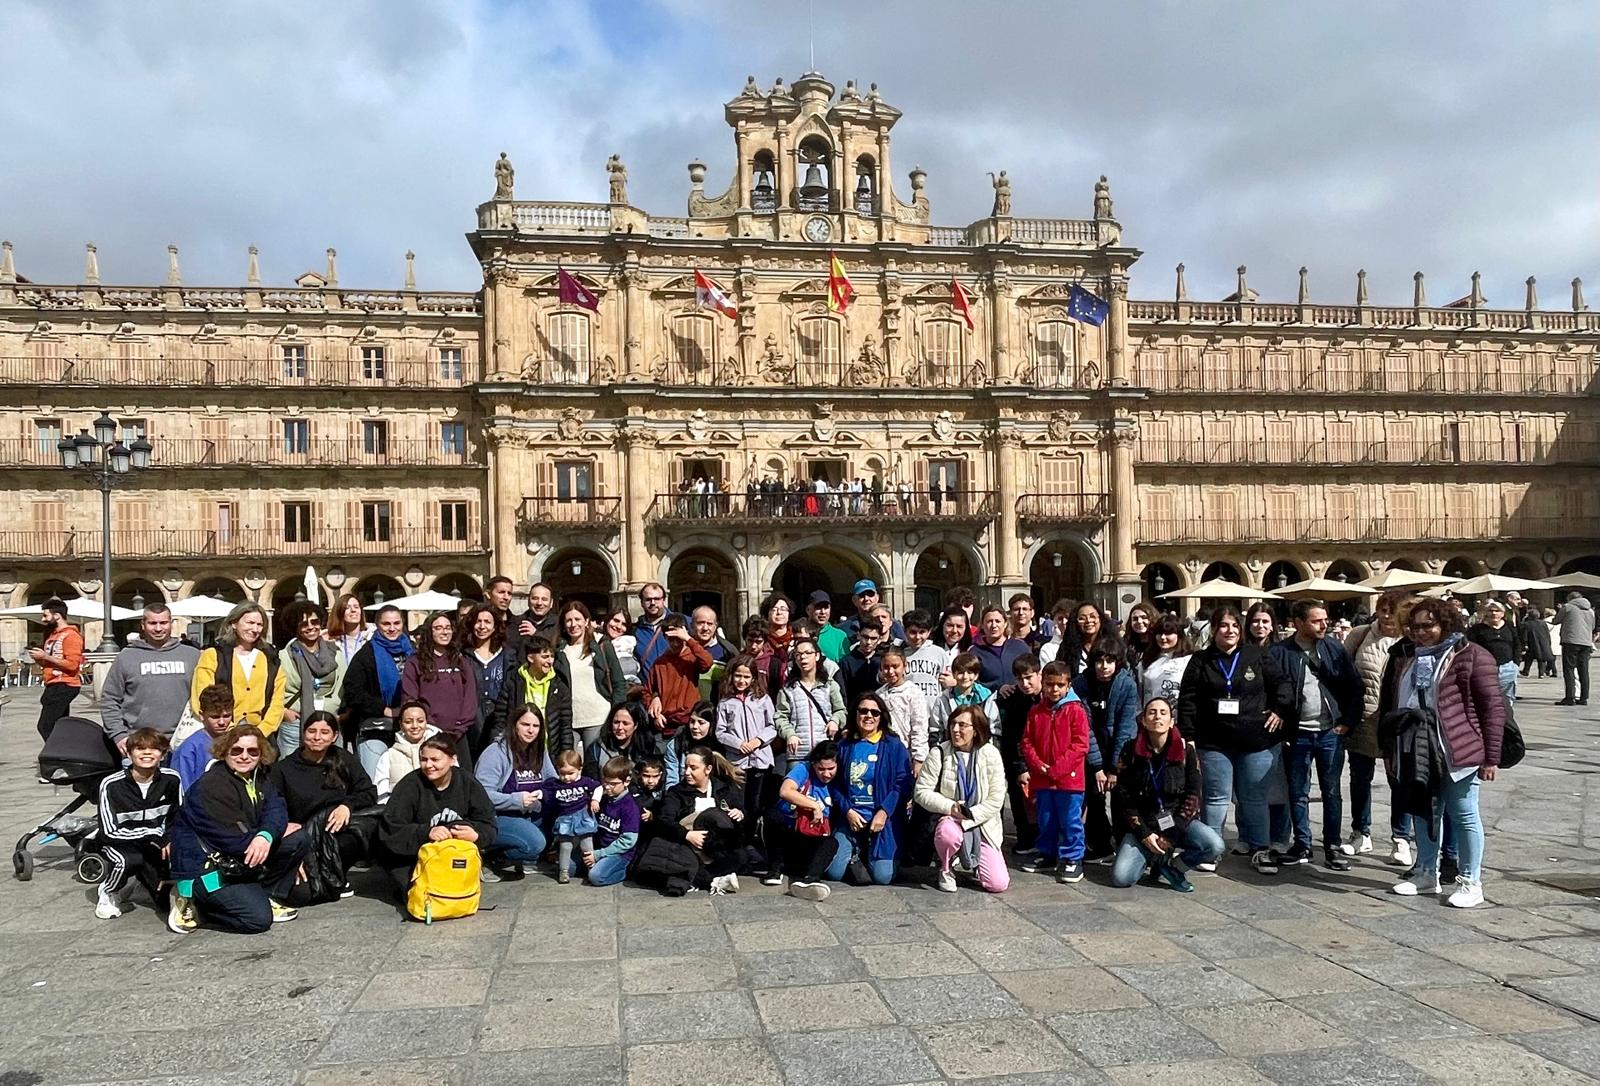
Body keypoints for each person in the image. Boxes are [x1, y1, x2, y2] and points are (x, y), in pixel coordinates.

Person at [1381, 598, 1504, 908]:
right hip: (1418, 748)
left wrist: (1491, 757)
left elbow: (1492, 707)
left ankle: (1470, 881)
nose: (1420, 632)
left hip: (1458, 749)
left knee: (1463, 814)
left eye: (1428, 626)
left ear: (1445, 624)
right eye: (1415, 626)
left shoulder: (1472, 655)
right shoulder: (1411, 657)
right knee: (1423, 811)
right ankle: (1425, 872)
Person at [1179, 606, 1293, 876]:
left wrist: (1280, 709)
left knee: (1253, 798)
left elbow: (1283, 684)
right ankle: (1211, 848)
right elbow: (1188, 699)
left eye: (1234, 626)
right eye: (1223, 626)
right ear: (1214, 630)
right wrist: (1189, 736)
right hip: (1214, 741)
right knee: (1216, 798)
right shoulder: (1201, 660)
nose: (1229, 631)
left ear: (1240, 631)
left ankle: (1260, 848)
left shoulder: (1258, 655)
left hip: (1255, 739)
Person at [168, 723, 311, 934]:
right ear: (225, 751)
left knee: (298, 838)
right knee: (258, 920)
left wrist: (267, 834)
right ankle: (195, 903)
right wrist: (270, 833)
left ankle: (266, 895)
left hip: (238, 856)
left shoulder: (258, 777)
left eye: (252, 751)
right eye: (237, 750)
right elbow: (232, 837)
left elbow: (277, 808)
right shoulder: (211, 785)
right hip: (206, 868)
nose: (244, 756)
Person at [1269, 599, 1364, 871]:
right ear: (1297, 623)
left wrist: (1347, 722)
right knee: (1297, 792)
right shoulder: (1279, 653)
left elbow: (1354, 687)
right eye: (1316, 620)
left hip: (1329, 732)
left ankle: (1332, 845)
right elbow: (1273, 691)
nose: (1325, 624)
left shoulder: (1334, 648)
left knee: (1331, 791)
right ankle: (1302, 844)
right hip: (1297, 734)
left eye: (1325, 619)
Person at [1109, 697, 1222, 893]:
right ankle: (1150, 856)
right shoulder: (1130, 750)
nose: (1157, 717)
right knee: (1122, 878)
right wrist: (1144, 834)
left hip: (1177, 822)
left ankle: (1173, 867)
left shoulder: (1186, 751)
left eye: (1163, 713)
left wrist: (1172, 834)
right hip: (1144, 824)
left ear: (1171, 721)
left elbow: (1193, 796)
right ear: (1143, 720)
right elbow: (1123, 797)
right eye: (1152, 713)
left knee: (1214, 845)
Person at [376, 735, 498, 901]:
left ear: (452, 759)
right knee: (426, 896)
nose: (429, 765)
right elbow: (390, 828)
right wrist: (426, 832)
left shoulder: (467, 782)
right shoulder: (410, 785)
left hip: (452, 853)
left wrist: (477, 835)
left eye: (435, 759)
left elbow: (488, 821)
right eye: (424, 760)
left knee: (454, 895)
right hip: (412, 855)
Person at [1344, 589, 1417, 865]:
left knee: (1399, 780)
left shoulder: (1411, 640)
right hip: (1363, 718)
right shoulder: (1360, 634)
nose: (1386, 614)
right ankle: (1360, 832)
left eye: (1392, 609)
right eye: (1383, 608)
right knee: (1359, 779)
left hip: (1396, 722)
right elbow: (1342, 671)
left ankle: (1401, 838)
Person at [269, 710, 378, 885]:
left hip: (338, 831)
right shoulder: (283, 769)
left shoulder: (344, 760)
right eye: (311, 731)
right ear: (303, 733)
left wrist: (347, 805)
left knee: (362, 833)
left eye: (324, 732)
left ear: (334, 736)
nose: (317, 737)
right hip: (303, 836)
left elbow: (368, 792)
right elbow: (273, 805)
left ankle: (339, 874)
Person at [915, 705, 1010, 894]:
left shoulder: (990, 754)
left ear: (976, 730)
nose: (955, 730)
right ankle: (946, 868)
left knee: (998, 884)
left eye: (962, 725)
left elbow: (996, 799)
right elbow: (921, 791)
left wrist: (970, 815)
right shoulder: (940, 752)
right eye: (953, 724)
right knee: (948, 834)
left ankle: (973, 860)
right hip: (950, 818)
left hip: (982, 824)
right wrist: (950, 807)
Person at [93, 728, 182, 919]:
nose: (147, 753)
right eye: (140, 748)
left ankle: (142, 882)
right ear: (129, 752)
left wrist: (170, 839)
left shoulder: (172, 779)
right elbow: (109, 832)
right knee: (128, 860)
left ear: (163, 754)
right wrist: (152, 834)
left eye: (154, 749)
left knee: (164, 903)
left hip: (155, 844)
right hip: (119, 843)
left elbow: (178, 816)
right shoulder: (111, 784)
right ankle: (109, 890)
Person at [825, 692, 912, 886]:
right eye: (863, 711)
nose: (869, 716)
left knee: (882, 877)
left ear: (882, 717)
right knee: (834, 872)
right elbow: (835, 784)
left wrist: (884, 812)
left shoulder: (894, 746)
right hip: (851, 818)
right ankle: (858, 851)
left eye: (875, 712)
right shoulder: (844, 746)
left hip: (883, 821)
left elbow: (903, 783)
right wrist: (847, 811)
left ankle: (877, 856)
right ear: (855, 714)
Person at [100, 601, 202, 752]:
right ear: (143, 624)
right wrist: (118, 734)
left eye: (163, 623)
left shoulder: (192, 655)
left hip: (184, 739)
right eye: (152, 623)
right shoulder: (126, 657)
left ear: (171, 623)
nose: (158, 628)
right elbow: (110, 698)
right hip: (139, 740)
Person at [1021, 661, 1090, 881]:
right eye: (1050, 684)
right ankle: (1047, 853)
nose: (1054, 689)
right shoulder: (1036, 710)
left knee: (1070, 820)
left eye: (1060, 684)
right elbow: (1027, 741)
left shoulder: (1076, 710)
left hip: (1068, 780)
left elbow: (1080, 745)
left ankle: (1072, 858)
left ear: (1068, 685)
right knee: (1046, 818)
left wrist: (1058, 768)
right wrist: (1037, 763)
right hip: (1042, 778)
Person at [1072, 636, 1139, 862]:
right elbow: (1084, 727)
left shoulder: (1126, 683)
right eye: (1099, 661)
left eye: (1109, 661)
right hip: (1091, 747)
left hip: (1119, 749)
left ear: (1117, 662)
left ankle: (1125, 845)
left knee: (1121, 798)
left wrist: (1113, 768)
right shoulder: (1081, 683)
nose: (1104, 666)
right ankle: (1099, 844)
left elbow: (1126, 727)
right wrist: (1098, 766)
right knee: (1094, 796)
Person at [474, 703, 553, 880]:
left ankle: (528, 857)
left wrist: (544, 795)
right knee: (535, 843)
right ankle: (490, 857)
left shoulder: (540, 751)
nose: (531, 730)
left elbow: (552, 783)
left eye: (536, 726)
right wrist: (516, 800)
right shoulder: (495, 753)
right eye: (525, 725)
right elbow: (481, 795)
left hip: (531, 813)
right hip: (498, 816)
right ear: (514, 725)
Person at [656, 745, 748, 894]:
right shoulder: (677, 793)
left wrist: (740, 814)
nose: (687, 772)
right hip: (688, 845)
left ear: (708, 769)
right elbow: (664, 820)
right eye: (686, 767)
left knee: (741, 857)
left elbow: (741, 814)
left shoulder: (723, 789)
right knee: (682, 865)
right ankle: (712, 880)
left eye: (693, 768)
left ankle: (699, 878)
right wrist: (687, 834)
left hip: (717, 847)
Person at [189, 602, 286, 742]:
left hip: (261, 738)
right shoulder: (213, 655)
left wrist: (261, 731)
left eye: (259, 624)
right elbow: (202, 697)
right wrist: (231, 731)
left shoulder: (271, 659)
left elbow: (277, 702)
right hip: (221, 737)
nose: (255, 629)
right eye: (250, 623)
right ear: (234, 623)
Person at [336, 605, 413, 776]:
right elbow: (353, 690)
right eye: (386, 624)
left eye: (396, 623)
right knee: (375, 781)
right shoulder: (367, 654)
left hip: (409, 729)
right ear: (377, 625)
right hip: (374, 728)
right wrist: (385, 710)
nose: (392, 628)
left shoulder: (412, 651)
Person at [715, 656, 777, 868]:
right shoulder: (725, 702)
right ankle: (741, 845)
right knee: (739, 804)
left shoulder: (763, 699)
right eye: (738, 676)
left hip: (760, 761)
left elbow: (772, 725)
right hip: (738, 762)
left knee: (757, 804)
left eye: (746, 677)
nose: (741, 681)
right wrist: (737, 743)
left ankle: (755, 844)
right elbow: (720, 732)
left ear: (753, 678)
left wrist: (758, 741)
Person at [400, 611, 480, 765]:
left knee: (462, 779)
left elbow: (470, 696)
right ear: (430, 631)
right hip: (429, 734)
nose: (445, 632)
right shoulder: (415, 662)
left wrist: (460, 727)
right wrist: (427, 727)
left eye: (448, 627)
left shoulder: (461, 661)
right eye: (438, 628)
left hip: (458, 735)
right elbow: (410, 698)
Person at [768, 741, 841, 900]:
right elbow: (785, 791)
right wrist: (814, 806)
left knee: (831, 843)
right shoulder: (804, 769)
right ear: (814, 764)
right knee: (773, 816)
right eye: (821, 769)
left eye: (831, 769)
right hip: (791, 834)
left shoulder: (838, 781)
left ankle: (810, 880)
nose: (826, 774)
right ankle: (775, 868)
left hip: (814, 838)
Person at [555, 600, 627, 750]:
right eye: (568, 620)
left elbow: (618, 682)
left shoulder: (601, 645)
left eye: (577, 619)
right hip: (569, 720)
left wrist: (616, 711)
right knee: (568, 767)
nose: (573, 624)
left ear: (586, 621)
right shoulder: (558, 650)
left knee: (596, 766)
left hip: (599, 717)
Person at [278, 601, 343, 759]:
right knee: (292, 766)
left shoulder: (335, 652)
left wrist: (334, 710)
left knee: (333, 765)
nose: (310, 627)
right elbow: (276, 690)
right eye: (303, 624)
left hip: (329, 718)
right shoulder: (283, 656)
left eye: (315, 622)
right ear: (295, 627)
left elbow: (341, 686)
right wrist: (284, 712)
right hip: (295, 722)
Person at [496, 636, 574, 759]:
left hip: (549, 752)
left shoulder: (559, 686)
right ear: (531, 658)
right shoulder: (513, 682)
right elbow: (500, 718)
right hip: (517, 751)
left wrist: (566, 754)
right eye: (544, 657)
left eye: (552, 656)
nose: (550, 661)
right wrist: (497, 746)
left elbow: (565, 726)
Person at [996, 654, 1042, 856]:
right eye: (1020, 679)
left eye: (1029, 677)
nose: (1025, 683)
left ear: (1039, 674)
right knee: (1018, 796)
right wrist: (1020, 766)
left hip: (1046, 757)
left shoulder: (1050, 695)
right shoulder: (1014, 700)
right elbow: (1013, 737)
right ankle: (1026, 836)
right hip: (1020, 756)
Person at [645, 615, 712, 749]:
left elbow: (707, 662)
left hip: (687, 722)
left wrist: (688, 639)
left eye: (678, 639)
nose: (675, 644)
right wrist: (654, 701)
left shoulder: (692, 658)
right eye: (671, 640)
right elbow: (647, 690)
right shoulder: (660, 663)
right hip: (665, 723)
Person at [776, 637, 846, 762]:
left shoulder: (829, 685)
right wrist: (789, 734)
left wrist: (835, 721)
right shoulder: (788, 689)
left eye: (808, 653)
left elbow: (841, 710)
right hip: (797, 754)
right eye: (798, 654)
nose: (803, 658)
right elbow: (780, 716)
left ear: (817, 656)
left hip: (824, 754)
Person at [582, 757, 642, 886]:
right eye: (605, 782)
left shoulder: (629, 807)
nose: (607, 787)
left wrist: (599, 855)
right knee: (569, 867)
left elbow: (628, 841)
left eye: (613, 784)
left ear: (626, 781)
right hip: (600, 847)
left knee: (596, 877)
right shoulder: (604, 798)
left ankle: (627, 871)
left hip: (620, 854)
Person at [31, 597, 84, 742]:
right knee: (59, 725)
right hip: (53, 683)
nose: (43, 619)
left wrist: (46, 657)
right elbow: (52, 662)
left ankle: (56, 753)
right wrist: (40, 659)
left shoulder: (72, 635)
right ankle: (65, 752)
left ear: (57, 615)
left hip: (65, 684)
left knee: (45, 726)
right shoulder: (52, 636)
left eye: (45, 615)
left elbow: (72, 665)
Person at [461, 603, 509, 758]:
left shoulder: (508, 655)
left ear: (495, 626)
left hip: (500, 718)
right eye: (478, 621)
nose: (482, 626)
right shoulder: (462, 655)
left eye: (487, 622)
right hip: (472, 721)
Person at [877, 647, 931, 776]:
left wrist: (918, 758)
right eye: (886, 667)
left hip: (906, 752)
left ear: (905, 665)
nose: (890, 671)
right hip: (883, 751)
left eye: (895, 666)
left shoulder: (914, 693)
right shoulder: (879, 694)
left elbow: (920, 727)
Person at [930, 651, 998, 749]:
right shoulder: (943, 698)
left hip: (980, 748)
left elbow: (994, 729)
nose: (965, 677)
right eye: (961, 673)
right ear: (953, 674)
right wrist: (938, 751)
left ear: (976, 675)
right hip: (952, 748)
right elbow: (935, 728)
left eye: (970, 673)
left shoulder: (987, 698)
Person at [173, 684, 234, 791]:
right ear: (201, 715)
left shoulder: (236, 742)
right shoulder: (188, 749)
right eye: (215, 717)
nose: (222, 722)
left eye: (226, 716)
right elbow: (183, 790)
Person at [374, 701, 439, 802]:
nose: (415, 726)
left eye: (420, 721)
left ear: (426, 722)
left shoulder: (442, 752)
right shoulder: (388, 756)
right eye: (408, 722)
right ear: (401, 725)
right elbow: (381, 794)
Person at [1468, 600, 1523, 702]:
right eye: (1490, 610)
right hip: (1485, 668)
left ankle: (1506, 717)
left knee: (1507, 698)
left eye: (1497, 611)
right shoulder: (1477, 629)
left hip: (1508, 667)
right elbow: (1471, 647)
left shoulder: (1509, 626)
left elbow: (1517, 644)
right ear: (1486, 613)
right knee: (1487, 697)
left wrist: (1516, 663)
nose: (1494, 613)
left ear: (1502, 613)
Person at [969, 606, 1031, 690]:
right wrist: (998, 689)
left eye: (997, 621)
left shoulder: (1020, 647)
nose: (994, 625)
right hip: (989, 700)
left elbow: (1032, 672)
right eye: (989, 621)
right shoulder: (975, 652)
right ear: (982, 625)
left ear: (1005, 624)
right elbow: (971, 682)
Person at [1138, 613, 1193, 705]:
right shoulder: (1147, 659)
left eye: (1168, 633)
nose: (1163, 637)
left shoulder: (1190, 660)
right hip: (1152, 713)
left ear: (1179, 635)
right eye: (1159, 633)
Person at [689, 605, 740, 701]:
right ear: (692, 625)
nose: (705, 628)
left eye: (709, 624)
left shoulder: (727, 652)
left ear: (715, 626)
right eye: (700, 623)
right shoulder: (683, 649)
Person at [900, 610, 946, 710]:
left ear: (929, 632)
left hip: (933, 709)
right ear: (905, 631)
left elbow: (946, 682)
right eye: (913, 632)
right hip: (907, 708)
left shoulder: (939, 653)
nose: (917, 637)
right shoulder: (899, 653)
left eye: (922, 632)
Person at [1556, 591, 1595, 706]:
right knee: (1583, 670)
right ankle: (1584, 698)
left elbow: (1556, 620)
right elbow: (1592, 626)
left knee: (1569, 670)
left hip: (1570, 641)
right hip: (1586, 642)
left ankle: (1570, 697)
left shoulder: (1568, 607)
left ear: (1570, 599)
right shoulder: (1590, 610)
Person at [838, 622, 889, 708]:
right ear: (858, 635)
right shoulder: (846, 662)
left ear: (879, 639)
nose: (869, 642)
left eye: (873, 638)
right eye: (865, 637)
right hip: (854, 710)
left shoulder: (883, 660)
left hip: (880, 709)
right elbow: (842, 692)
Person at [633, 582, 678, 675]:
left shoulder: (680, 623)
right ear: (641, 602)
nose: (653, 603)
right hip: (647, 687)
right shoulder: (635, 630)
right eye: (648, 599)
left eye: (657, 599)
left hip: (675, 686)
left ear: (664, 600)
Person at [839, 580, 905, 642]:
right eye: (861, 595)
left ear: (877, 598)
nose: (866, 599)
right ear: (854, 600)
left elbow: (904, 648)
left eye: (870, 594)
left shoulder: (893, 625)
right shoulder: (845, 627)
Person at [324, 593, 374, 671]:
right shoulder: (331, 642)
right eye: (347, 608)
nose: (353, 610)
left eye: (356, 607)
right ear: (339, 613)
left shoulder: (372, 638)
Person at [806, 591, 849, 663]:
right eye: (818, 607)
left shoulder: (840, 636)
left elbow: (845, 666)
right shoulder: (800, 633)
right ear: (808, 610)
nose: (823, 612)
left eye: (826, 607)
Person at [603, 609, 643, 686]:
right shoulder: (595, 641)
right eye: (616, 620)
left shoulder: (629, 646)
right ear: (607, 620)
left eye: (624, 624)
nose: (618, 626)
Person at [1519, 600, 1555, 679]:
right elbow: (1547, 633)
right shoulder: (1543, 623)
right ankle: (1541, 673)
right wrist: (1548, 642)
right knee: (1541, 658)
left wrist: (1524, 643)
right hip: (1543, 642)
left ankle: (1526, 671)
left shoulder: (1526, 624)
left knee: (1529, 658)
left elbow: (1524, 635)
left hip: (1532, 642)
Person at [1122, 602, 1160, 670]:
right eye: (1135, 619)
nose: (1139, 621)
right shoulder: (1125, 643)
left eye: (1144, 617)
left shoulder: (1160, 643)